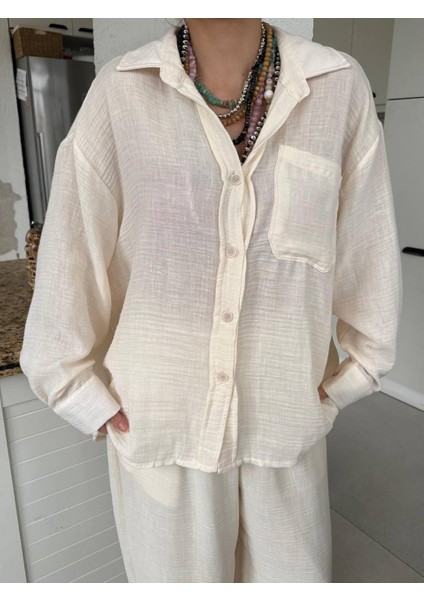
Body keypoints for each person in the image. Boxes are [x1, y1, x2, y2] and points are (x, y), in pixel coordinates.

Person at [19, 18, 402, 582]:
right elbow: (70, 255)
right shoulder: (121, 92)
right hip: (160, 432)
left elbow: (369, 251)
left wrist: (352, 377)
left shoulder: (336, 86)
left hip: (284, 433)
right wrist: (80, 394)